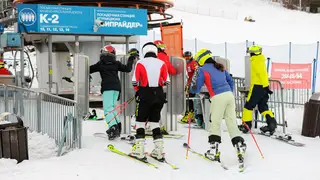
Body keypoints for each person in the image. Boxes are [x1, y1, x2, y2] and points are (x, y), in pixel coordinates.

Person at [189, 49, 246, 162]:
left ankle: (213, 151)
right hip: (229, 95)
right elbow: (230, 81)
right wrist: (228, 91)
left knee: (215, 122)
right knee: (231, 121)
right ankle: (239, 146)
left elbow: (195, 88)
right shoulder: (220, 67)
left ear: (201, 59)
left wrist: (191, 86)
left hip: (217, 96)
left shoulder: (202, 69)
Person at [130, 42, 170, 161]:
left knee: (140, 121)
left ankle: (139, 149)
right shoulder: (162, 63)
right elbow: (167, 82)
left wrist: (139, 90)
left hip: (145, 94)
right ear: (155, 51)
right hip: (159, 95)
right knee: (155, 122)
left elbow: (134, 81)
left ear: (144, 51)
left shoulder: (140, 62)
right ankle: (158, 150)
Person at [90, 45, 135, 140]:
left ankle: (113, 127)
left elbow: (89, 69)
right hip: (116, 88)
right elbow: (128, 69)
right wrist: (131, 59)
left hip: (107, 88)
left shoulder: (101, 64)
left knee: (107, 109)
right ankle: (118, 126)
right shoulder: (116, 63)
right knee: (113, 107)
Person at [238, 45, 277, 135]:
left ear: (253, 53)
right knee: (262, 107)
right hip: (263, 87)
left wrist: (265, 85)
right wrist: (266, 87)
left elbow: (261, 74)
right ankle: (271, 123)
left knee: (248, 106)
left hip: (257, 87)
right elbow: (264, 74)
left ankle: (246, 125)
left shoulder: (255, 61)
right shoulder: (261, 60)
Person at [180, 51, 198, 123]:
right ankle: (189, 113)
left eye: (188, 57)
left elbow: (196, 73)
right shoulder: (185, 64)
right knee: (188, 98)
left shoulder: (193, 63)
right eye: (185, 57)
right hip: (189, 83)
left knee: (191, 99)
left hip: (194, 84)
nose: (187, 59)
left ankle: (192, 114)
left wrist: (192, 84)